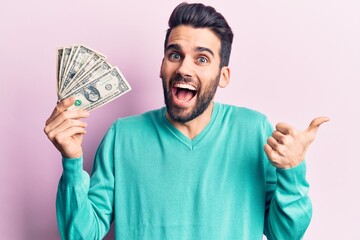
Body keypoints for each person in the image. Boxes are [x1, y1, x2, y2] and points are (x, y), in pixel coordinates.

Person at [44, 2, 329, 239]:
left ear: (223, 76)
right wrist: (72, 162)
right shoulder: (122, 136)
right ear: (162, 66)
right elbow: (81, 234)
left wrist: (292, 171)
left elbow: (286, 233)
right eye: (174, 55)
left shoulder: (254, 131)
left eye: (202, 59)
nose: (184, 68)